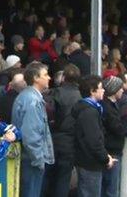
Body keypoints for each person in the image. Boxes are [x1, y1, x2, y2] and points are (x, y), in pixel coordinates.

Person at [11, 62, 54, 197]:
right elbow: (31, 135)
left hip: (29, 158)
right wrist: (39, 159)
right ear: (36, 78)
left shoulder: (28, 97)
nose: (49, 78)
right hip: (31, 160)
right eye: (45, 75)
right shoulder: (32, 100)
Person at [73, 75, 117, 197]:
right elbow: (93, 141)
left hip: (87, 160)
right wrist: (105, 158)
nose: (103, 90)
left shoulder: (90, 109)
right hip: (90, 163)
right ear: (92, 91)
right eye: (101, 88)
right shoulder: (89, 112)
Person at [46, 64, 82, 197]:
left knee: (48, 177)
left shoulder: (54, 93)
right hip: (69, 142)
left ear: (64, 77)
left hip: (52, 139)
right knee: (63, 179)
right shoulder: (81, 97)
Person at [101, 76, 127, 197]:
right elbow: (119, 129)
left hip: (112, 150)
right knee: (111, 189)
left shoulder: (112, 105)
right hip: (112, 151)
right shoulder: (108, 108)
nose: (122, 91)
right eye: (120, 88)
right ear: (114, 90)